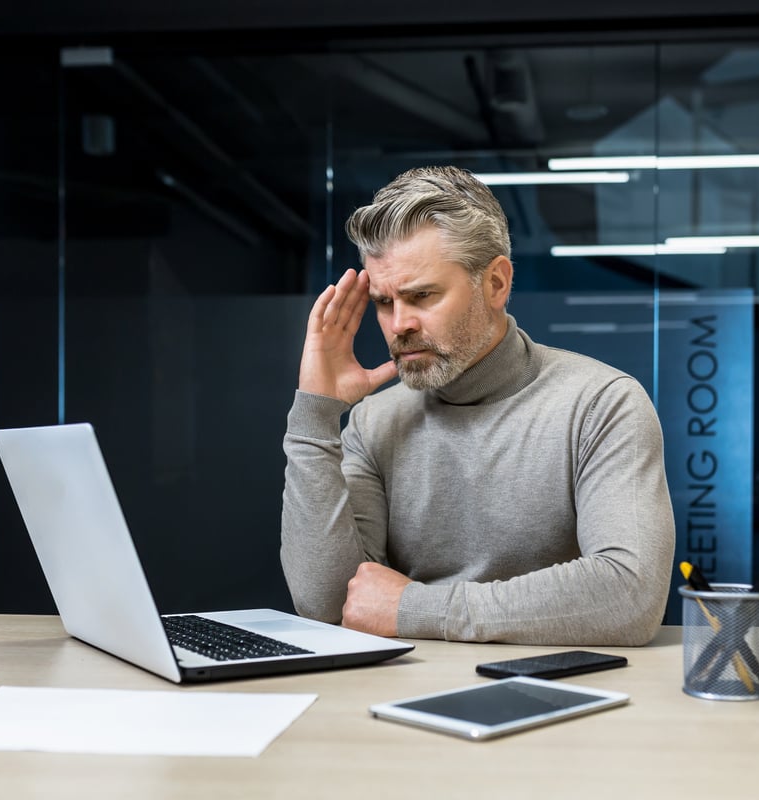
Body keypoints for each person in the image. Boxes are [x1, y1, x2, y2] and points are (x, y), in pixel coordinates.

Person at [279, 165, 675, 646]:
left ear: (496, 284)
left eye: (421, 295)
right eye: (384, 302)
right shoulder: (374, 421)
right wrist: (315, 414)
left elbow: (629, 596)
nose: (397, 325)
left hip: (564, 696)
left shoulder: (602, 404)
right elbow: (331, 603)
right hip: (406, 695)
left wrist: (417, 608)